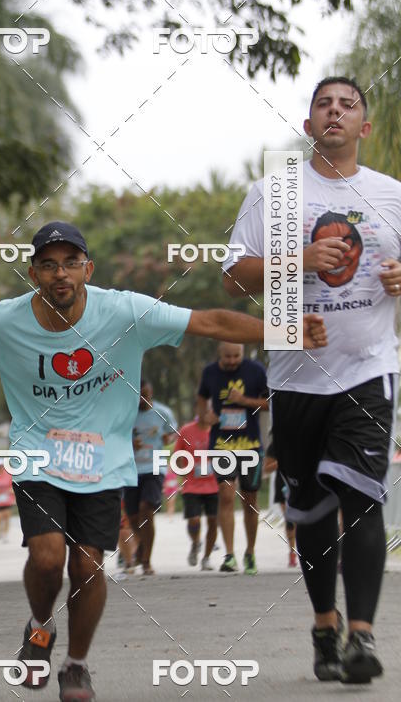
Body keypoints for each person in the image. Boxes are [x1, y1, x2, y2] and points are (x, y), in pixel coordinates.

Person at [0, 221, 327, 702]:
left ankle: (75, 664)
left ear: (87, 270)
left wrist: (286, 331)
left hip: (105, 461)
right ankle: (38, 625)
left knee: (88, 564)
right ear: (33, 272)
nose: (60, 273)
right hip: (37, 455)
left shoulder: (124, 311)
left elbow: (210, 321)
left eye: (71, 262)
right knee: (50, 557)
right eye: (49, 264)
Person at [223, 77, 401, 684]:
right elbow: (235, 277)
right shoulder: (272, 192)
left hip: (369, 369)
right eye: (324, 104)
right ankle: (324, 624)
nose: (336, 112)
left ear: (363, 127)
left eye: (348, 105)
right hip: (297, 378)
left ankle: (362, 636)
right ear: (308, 124)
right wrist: (297, 259)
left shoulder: (391, 196)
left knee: (363, 497)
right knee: (310, 509)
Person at [197, 342, 268, 575]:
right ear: (219, 353)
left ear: (243, 352)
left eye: (236, 356)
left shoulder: (256, 371)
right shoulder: (209, 372)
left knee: (250, 500)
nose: (231, 360)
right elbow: (201, 400)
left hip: (250, 445)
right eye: (227, 356)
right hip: (221, 444)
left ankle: (250, 552)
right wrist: (205, 416)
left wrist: (244, 400)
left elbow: (268, 402)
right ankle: (229, 555)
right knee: (226, 495)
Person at [123, 379, 177, 575]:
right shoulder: (127, 414)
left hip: (155, 465)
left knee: (147, 509)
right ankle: (142, 547)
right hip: (131, 469)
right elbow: (116, 437)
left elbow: (172, 434)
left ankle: (146, 560)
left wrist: (167, 438)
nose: (143, 400)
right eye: (139, 396)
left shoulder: (163, 413)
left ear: (151, 393)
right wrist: (130, 444)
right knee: (133, 516)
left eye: (146, 395)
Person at [173, 402, 219, 570]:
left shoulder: (218, 431)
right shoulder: (186, 430)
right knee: (194, 520)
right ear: (198, 410)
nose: (208, 413)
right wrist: (182, 472)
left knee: (213, 521)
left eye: (211, 410)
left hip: (214, 484)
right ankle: (196, 543)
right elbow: (177, 455)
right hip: (191, 485)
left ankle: (206, 558)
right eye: (205, 410)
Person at [263, 439, 297, 568]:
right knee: (290, 520)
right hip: (283, 484)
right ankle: (292, 553)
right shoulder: (277, 443)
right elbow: (267, 468)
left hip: (302, 482)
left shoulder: (306, 437)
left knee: (303, 520)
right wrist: (282, 462)